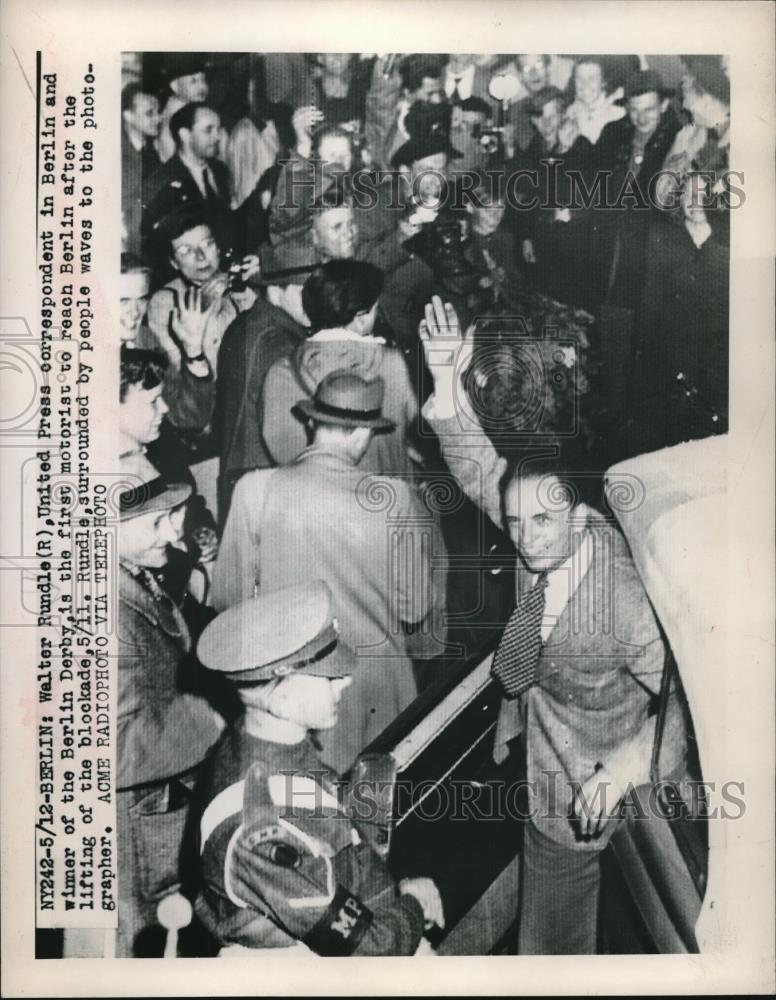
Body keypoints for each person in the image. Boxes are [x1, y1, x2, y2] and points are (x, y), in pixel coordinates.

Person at [417, 296, 686, 954]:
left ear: (577, 513)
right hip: (545, 767)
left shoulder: (623, 600)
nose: (525, 541)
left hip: (597, 780)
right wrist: (448, 382)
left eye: (540, 523)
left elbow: (693, 704)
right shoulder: (534, 517)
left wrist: (625, 767)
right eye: (513, 524)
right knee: (555, 937)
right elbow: (479, 467)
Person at [193, 580, 444, 955]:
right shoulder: (258, 835)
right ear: (282, 702)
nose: (345, 680)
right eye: (329, 676)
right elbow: (369, 951)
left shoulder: (275, 742)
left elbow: (340, 845)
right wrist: (412, 905)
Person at [213, 371, 443, 775]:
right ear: (362, 435)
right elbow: (415, 607)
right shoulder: (394, 498)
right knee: (374, 821)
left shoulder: (254, 489)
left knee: (307, 816)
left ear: (312, 422)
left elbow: (230, 605)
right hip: (380, 692)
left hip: (297, 695)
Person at [116, 475, 229, 956]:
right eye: (158, 521)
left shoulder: (129, 571)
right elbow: (116, 749)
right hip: (134, 839)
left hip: (159, 816)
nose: (174, 532)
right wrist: (215, 713)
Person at [261, 259, 419, 476]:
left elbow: (280, 446)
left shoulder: (280, 372)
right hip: (387, 499)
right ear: (361, 318)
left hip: (316, 500)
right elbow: (407, 420)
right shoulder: (393, 364)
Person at [212, 243, 310, 524]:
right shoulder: (278, 345)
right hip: (269, 495)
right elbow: (293, 442)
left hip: (243, 485)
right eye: (305, 292)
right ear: (275, 290)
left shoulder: (249, 323)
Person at [146, 210, 257, 374]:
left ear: (218, 247)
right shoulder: (165, 302)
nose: (201, 257)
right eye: (186, 251)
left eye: (206, 244)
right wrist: (206, 303)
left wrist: (260, 281)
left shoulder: (243, 281)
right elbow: (175, 374)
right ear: (174, 263)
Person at [143, 102, 234, 274]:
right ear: (185, 135)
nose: (217, 137)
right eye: (208, 130)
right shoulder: (161, 183)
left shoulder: (220, 171)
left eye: (218, 129)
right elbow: (158, 252)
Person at [121, 83, 162, 260]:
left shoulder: (149, 150)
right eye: (149, 113)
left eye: (158, 112)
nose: (158, 118)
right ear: (128, 116)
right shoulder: (119, 157)